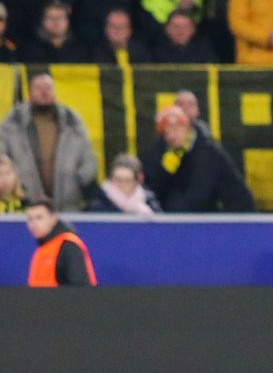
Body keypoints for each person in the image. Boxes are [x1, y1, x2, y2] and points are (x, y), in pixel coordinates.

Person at [0, 74, 97, 212]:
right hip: (24, 207)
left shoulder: (72, 121)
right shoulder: (13, 123)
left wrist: (77, 183)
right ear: (29, 93)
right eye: (39, 88)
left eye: (48, 88)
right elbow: (2, 157)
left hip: (68, 205)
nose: (44, 92)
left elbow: (88, 159)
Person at [141, 105, 254, 212]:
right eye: (166, 132)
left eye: (176, 128)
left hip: (210, 218)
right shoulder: (158, 152)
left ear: (187, 127)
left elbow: (200, 194)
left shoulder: (209, 153)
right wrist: (163, 173)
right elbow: (149, 192)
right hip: (174, 218)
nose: (171, 135)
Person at [25, 198, 97, 287]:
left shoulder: (68, 246)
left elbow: (79, 286)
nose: (34, 224)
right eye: (30, 219)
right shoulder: (44, 247)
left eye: (39, 218)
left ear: (53, 218)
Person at [20, 1, 90, 64]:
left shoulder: (81, 49)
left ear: (67, 21)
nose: (56, 22)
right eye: (51, 18)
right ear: (43, 21)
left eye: (60, 18)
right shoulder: (31, 50)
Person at [88, 154, 161, 214]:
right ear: (111, 179)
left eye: (127, 180)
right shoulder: (98, 206)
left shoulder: (150, 203)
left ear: (136, 181)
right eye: (118, 180)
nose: (122, 184)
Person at [151, 9, 218, 64]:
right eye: (175, 27)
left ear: (193, 29)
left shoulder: (204, 50)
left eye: (186, 27)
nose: (181, 31)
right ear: (167, 29)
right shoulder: (155, 52)